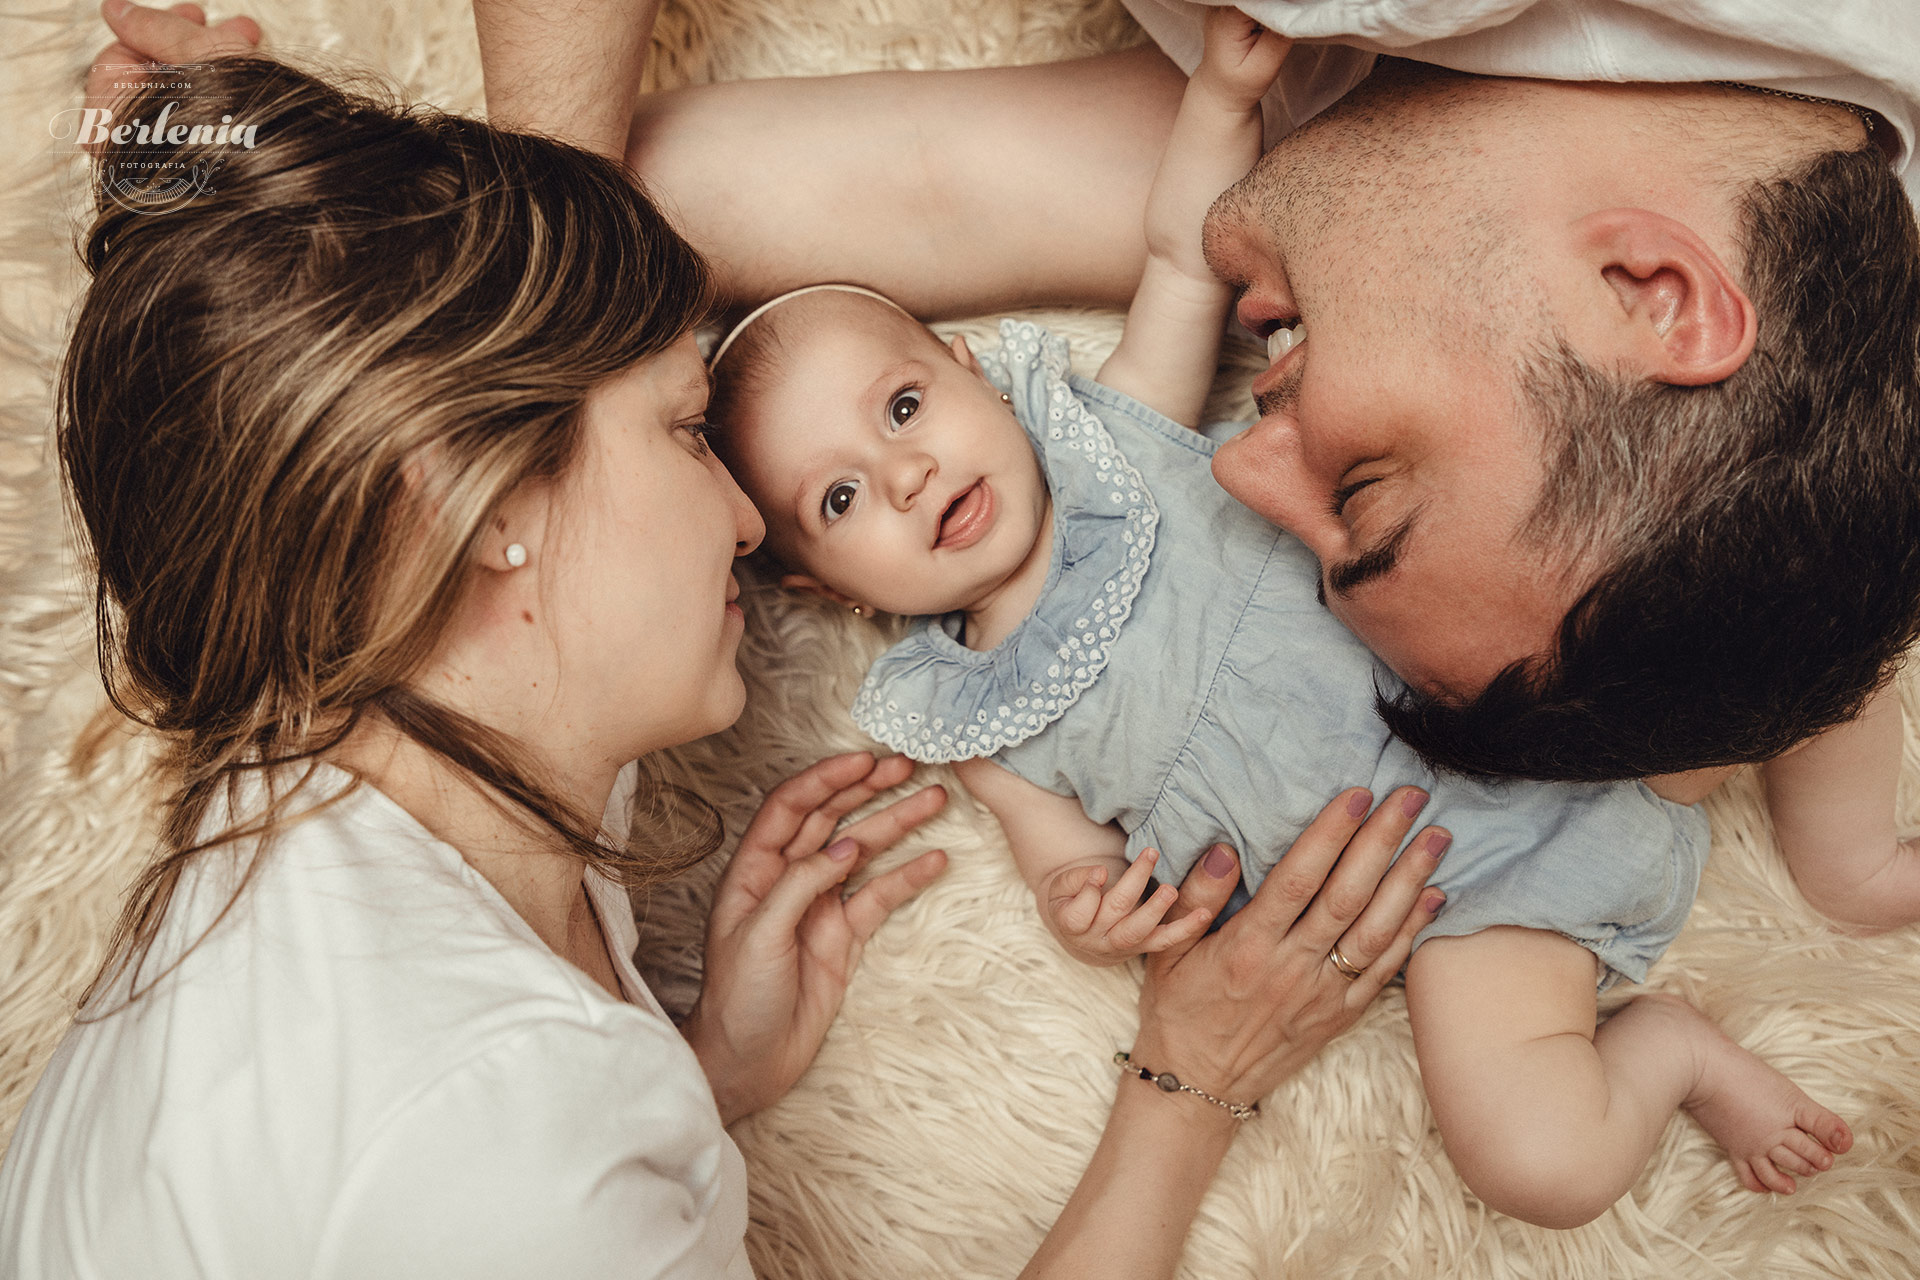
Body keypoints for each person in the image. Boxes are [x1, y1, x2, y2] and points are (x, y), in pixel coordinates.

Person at [0, 41, 1445, 1278]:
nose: (746, 520)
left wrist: (704, 1077)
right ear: (478, 512)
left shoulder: (390, 716)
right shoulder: (499, 1141)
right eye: (691, 432)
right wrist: (1188, 1082)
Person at [703, 9, 1850, 1226]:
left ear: (974, 368)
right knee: (1537, 1161)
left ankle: (1846, 854)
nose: (908, 476)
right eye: (839, 497)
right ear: (830, 590)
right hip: (1460, 901)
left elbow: (1184, 258)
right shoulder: (981, 717)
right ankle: (1674, 1049)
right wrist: (1088, 908)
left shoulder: (1117, 430)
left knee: (1799, 609)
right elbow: (1065, 862)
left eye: (902, 407)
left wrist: (1216, 105)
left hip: (1535, 676)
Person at [464, 0, 1920, 923]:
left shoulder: (1415, 184)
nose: (1227, 473)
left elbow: (656, 198)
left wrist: (523, 321)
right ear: (1652, 291)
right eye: (1364, 489)